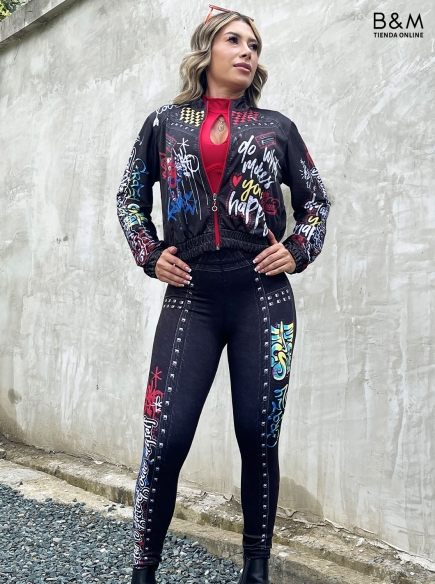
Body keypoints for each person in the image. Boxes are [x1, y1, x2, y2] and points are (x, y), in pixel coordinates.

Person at [117, 6, 330, 584]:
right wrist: (149, 252)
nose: (246, 52)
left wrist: (298, 248)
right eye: (234, 41)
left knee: (258, 435)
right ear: (206, 49)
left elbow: (316, 200)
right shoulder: (164, 123)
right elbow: (129, 197)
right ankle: (143, 571)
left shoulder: (276, 127)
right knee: (165, 436)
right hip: (192, 297)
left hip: (263, 297)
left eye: (254, 46)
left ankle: (255, 570)